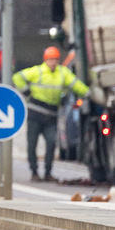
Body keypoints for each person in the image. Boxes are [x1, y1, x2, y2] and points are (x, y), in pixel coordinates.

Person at [12, 46, 90, 181]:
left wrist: (89, 93)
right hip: (35, 113)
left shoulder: (62, 73)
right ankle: (34, 172)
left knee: (51, 143)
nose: (53, 63)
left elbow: (76, 84)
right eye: (50, 60)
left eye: (55, 60)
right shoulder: (37, 71)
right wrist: (26, 91)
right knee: (32, 144)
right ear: (45, 60)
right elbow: (17, 77)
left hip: (51, 115)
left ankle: (48, 172)